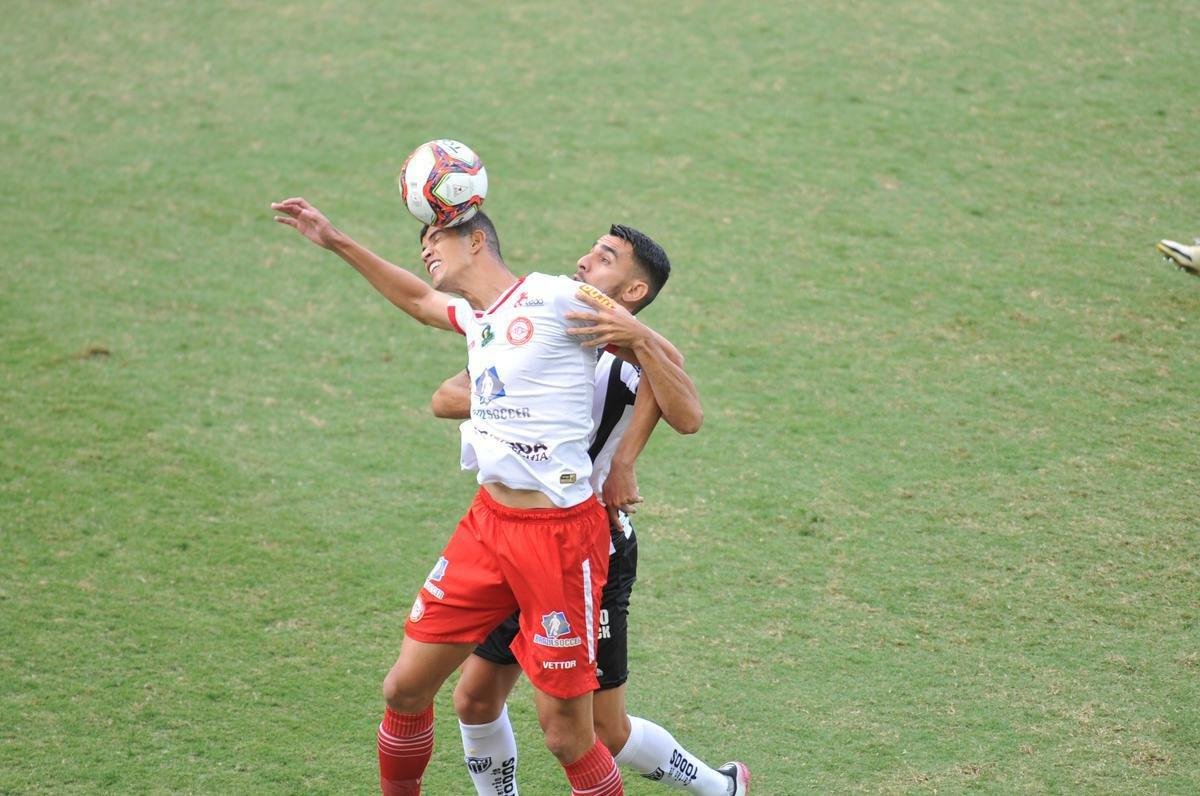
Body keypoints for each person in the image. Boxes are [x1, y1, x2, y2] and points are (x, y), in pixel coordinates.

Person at [270, 197, 691, 795]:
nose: (426, 249)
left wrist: (639, 353)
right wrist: (336, 240)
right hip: (487, 526)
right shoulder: (482, 317)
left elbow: (668, 366)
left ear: (475, 242)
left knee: (570, 736)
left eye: (435, 238)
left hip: (561, 538)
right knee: (405, 689)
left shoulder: (555, 297)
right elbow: (419, 300)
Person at [430, 227, 750, 795]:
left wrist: (626, 458)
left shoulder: (634, 355)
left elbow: (686, 408)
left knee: (602, 730)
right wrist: (509, 394)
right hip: (517, 537)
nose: (582, 260)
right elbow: (445, 396)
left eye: (604, 259)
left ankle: (718, 787)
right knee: (474, 698)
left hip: (587, 546)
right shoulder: (544, 325)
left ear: (631, 290)